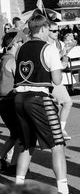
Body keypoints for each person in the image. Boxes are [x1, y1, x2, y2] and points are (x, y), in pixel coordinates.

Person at [13, 14, 69, 194]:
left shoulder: (20, 48)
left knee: (26, 144)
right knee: (57, 144)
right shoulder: (49, 48)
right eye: (49, 30)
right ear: (43, 28)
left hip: (19, 99)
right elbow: (57, 80)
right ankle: (63, 188)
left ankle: (18, 185)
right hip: (39, 99)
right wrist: (62, 64)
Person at [0, 32, 23, 175]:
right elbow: (20, 82)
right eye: (20, 41)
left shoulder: (3, 58)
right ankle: (14, 166)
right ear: (13, 44)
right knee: (20, 134)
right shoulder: (12, 60)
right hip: (8, 101)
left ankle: (2, 159)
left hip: (3, 102)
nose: (21, 44)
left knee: (15, 134)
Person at [47, 22, 73, 141]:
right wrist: (60, 54)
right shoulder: (45, 45)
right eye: (53, 31)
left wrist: (65, 56)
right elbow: (47, 61)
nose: (57, 33)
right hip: (49, 79)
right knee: (67, 102)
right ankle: (60, 130)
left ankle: (58, 128)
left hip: (57, 77)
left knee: (56, 106)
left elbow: (61, 65)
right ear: (46, 31)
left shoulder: (59, 44)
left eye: (58, 31)